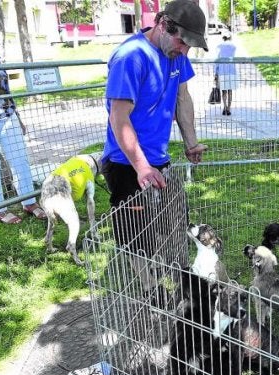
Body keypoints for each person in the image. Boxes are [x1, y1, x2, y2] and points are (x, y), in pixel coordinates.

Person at [101, 0, 209, 289]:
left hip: (158, 160)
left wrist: (191, 143)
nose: (184, 51)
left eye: (189, 46)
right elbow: (118, 117)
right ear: (163, 24)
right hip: (127, 163)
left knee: (171, 221)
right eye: (181, 42)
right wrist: (141, 166)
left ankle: (175, 278)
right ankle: (151, 289)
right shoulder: (131, 57)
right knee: (135, 234)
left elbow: (182, 98)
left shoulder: (176, 55)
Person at [0, 8, 47, 224]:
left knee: (20, 158)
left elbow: (2, 81)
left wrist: (16, 113)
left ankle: (28, 201)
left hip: (5, 111)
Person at [215, 34, 238, 116]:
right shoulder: (233, 47)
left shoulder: (219, 47)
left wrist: (216, 72)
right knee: (230, 91)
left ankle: (224, 107)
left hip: (222, 71)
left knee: (224, 91)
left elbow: (217, 60)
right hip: (231, 71)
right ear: (230, 37)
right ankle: (229, 108)